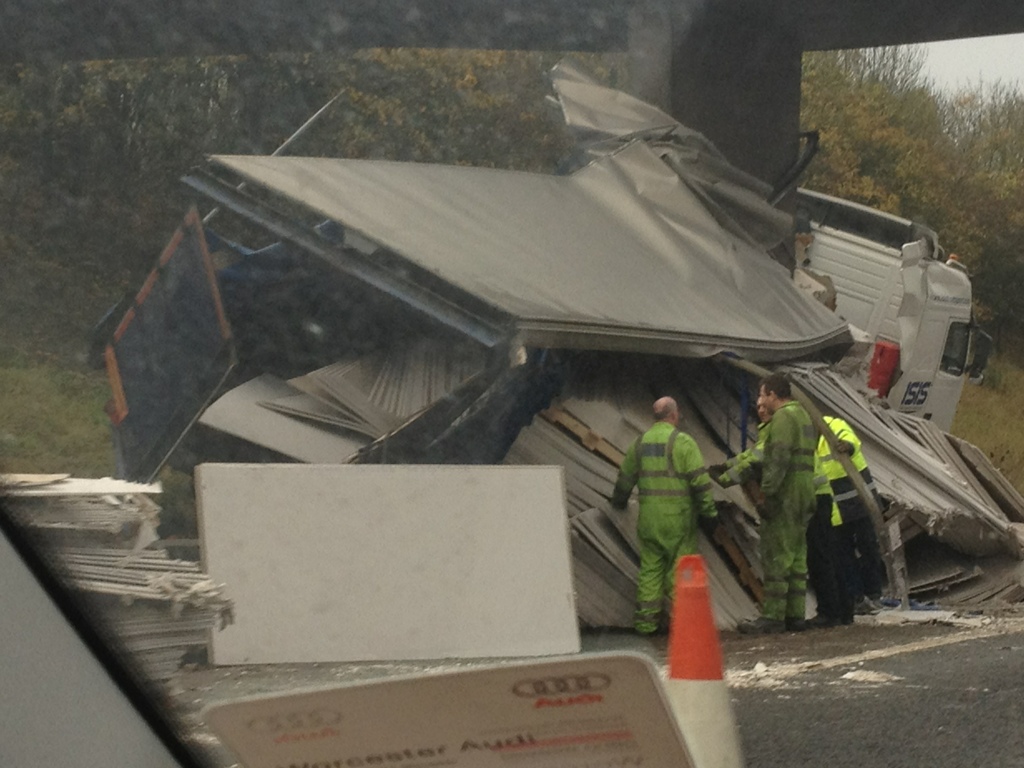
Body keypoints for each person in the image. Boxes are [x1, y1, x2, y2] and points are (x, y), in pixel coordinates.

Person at [610, 396, 718, 635]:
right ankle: (685, 626)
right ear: (674, 415)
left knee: (650, 571)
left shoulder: (640, 443)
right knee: (681, 571)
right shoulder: (683, 442)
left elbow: (625, 479)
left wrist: (618, 501)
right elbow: (700, 483)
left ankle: (646, 625)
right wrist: (709, 513)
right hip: (678, 520)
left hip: (649, 520)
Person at [737, 373, 817, 634]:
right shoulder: (803, 415)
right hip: (805, 491)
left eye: (762, 395)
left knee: (776, 556)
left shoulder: (783, 418)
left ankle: (773, 616)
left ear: (773, 394)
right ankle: (795, 616)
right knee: (797, 558)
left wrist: (766, 493)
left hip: (786, 493)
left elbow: (778, 459)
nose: (760, 401)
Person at [817, 415, 887, 615]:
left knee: (868, 546)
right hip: (835, 509)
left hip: (859, 500)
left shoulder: (833, 425)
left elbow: (851, 439)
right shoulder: (806, 438)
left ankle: (873, 593)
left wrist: (847, 446)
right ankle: (857, 598)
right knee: (843, 555)